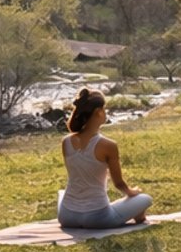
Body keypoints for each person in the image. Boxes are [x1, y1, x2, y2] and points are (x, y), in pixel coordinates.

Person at [56, 89, 152, 228]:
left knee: (63, 193)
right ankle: (139, 216)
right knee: (145, 199)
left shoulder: (66, 142)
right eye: (104, 109)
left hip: (67, 216)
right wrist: (133, 192)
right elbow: (119, 184)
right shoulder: (108, 145)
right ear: (98, 112)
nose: (106, 113)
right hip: (96, 217)